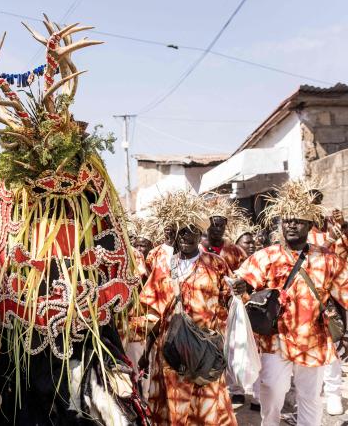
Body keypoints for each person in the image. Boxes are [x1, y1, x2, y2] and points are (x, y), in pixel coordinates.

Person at [232, 179, 348, 426]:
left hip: (314, 338)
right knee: (273, 390)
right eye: (288, 220)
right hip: (275, 339)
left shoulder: (328, 259)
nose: (292, 225)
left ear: (309, 225)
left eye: (298, 221)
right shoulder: (267, 255)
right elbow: (244, 283)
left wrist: (344, 334)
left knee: (310, 397)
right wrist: (241, 287)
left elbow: (345, 293)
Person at [138, 192, 237, 425]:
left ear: (200, 232)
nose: (185, 235)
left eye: (191, 229)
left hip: (206, 350)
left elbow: (230, 305)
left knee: (207, 405)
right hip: (171, 351)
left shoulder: (216, 265)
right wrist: (145, 352)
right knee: (175, 407)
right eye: (180, 229)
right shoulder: (163, 266)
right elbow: (153, 312)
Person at [306, 186, 348, 416]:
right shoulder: (301, 231)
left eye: (318, 199)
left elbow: (344, 254)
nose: (315, 204)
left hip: (333, 297)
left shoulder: (333, 225)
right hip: (305, 299)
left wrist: (342, 228)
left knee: (333, 343)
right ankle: (313, 392)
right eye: (310, 200)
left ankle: (333, 392)